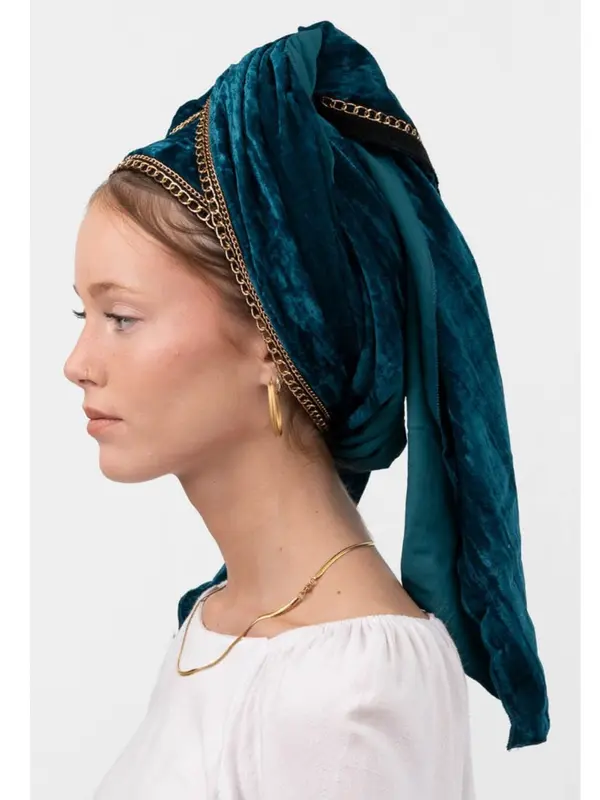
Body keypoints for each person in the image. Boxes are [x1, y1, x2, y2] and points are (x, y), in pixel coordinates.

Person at [63, 19, 549, 800]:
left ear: (273, 336)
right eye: (81, 314)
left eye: (121, 317)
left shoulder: (345, 690)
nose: (77, 364)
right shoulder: (221, 621)